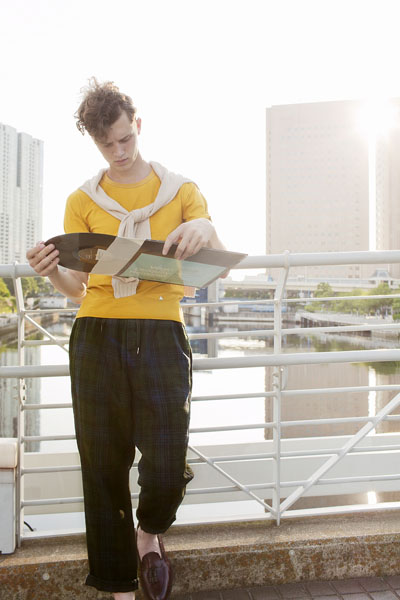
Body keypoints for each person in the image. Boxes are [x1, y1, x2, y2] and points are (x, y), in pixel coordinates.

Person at [26, 79, 226, 600]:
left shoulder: (181, 191)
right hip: (97, 333)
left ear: (138, 125)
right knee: (102, 463)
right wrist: (51, 271)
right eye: (106, 144)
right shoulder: (81, 200)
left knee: (167, 460)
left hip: (162, 333)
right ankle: (116, 583)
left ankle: (149, 532)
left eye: (124, 139)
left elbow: (217, 267)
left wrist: (205, 228)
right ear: (94, 142)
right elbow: (77, 288)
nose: (118, 152)